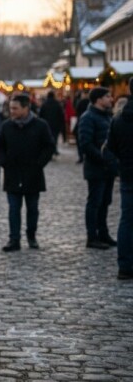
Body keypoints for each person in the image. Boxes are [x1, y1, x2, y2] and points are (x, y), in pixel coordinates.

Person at [0, 94, 55, 251]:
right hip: (12, 174)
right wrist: (4, 162)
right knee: (14, 209)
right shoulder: (7, 126)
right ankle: (14, 239)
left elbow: (49, 146)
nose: (12, 111)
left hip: (33, 175)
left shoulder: (40, 125)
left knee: (32, 209)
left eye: (15, 108)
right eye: (11, 108)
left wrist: (39, 164)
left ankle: (31, 236)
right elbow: (0, 147)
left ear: (26, 108)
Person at [78, 87, 118, 249]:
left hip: (108, 168)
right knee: (95, 202)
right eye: (107, 96)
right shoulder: (88, 117)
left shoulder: (107, 116)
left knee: (105, 202)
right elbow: (86, 144)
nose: (111, 99)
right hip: (96, 168)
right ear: (98, 99)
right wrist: (103, 158)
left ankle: (103, 233)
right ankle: (92, 236)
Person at [106, 79, 133, 280]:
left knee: (127, 221)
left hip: (128, 175)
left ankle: (125, 265)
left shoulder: (119, 119)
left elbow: (110, 149)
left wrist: (119, 168)